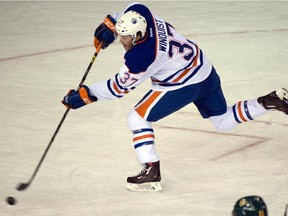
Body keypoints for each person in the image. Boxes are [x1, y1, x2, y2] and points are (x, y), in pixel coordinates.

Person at [62, 2, 288, 191]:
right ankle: (268, 101)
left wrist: (86, 94)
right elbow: (129, 11)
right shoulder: (142, 13)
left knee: (136, 119)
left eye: (125, 38)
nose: (122, 41)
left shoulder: (143, 57)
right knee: (222, 121)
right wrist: (110, 25)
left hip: (182, 85)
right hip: (204, 70)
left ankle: (151, 167)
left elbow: (119, 88)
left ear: (139, 36)